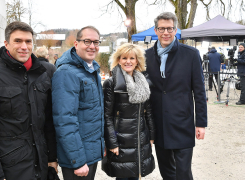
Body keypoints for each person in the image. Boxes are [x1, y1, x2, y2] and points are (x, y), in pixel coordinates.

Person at [145, 12, 207, 180]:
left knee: (183, 172)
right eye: (162, 28)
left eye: (170, 28)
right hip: (159, 124)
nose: (166, 32)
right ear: (156, 30)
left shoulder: (191, 54)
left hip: (183, 122)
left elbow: (199, 91)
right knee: (166, 171)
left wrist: (200, 123)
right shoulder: (145, 57)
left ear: (176, 29)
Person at [0, 21, 57, 180]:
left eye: (28, 41)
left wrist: (52, 158)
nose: (24, 46)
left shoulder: (42, 73)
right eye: (18, 41)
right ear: (6, 44)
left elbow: (48, 120)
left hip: (41, 162)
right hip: (11, 166)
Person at [52, 26, 104, 180]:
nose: (92, 46)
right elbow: (64, 120)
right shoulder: (66, 73)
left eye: (96, 42)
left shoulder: (91, 70)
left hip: (90, 152)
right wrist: (78, 161)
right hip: (78, 158)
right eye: (87, 41)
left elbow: (93, 113)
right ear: (76, 44)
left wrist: (101, 144)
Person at [101, 43, 155, 180]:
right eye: (124, 58)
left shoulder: (144, 83)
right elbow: (107, 116)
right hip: (121, 141)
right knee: (123, 176)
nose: (128, 61)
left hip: (140, 138)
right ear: (118, 60)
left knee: (137, 175)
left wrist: (151, 135)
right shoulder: (111, 83)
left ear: (137, 61)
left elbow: (148, 112)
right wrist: (112, 142)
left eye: (132, 58)